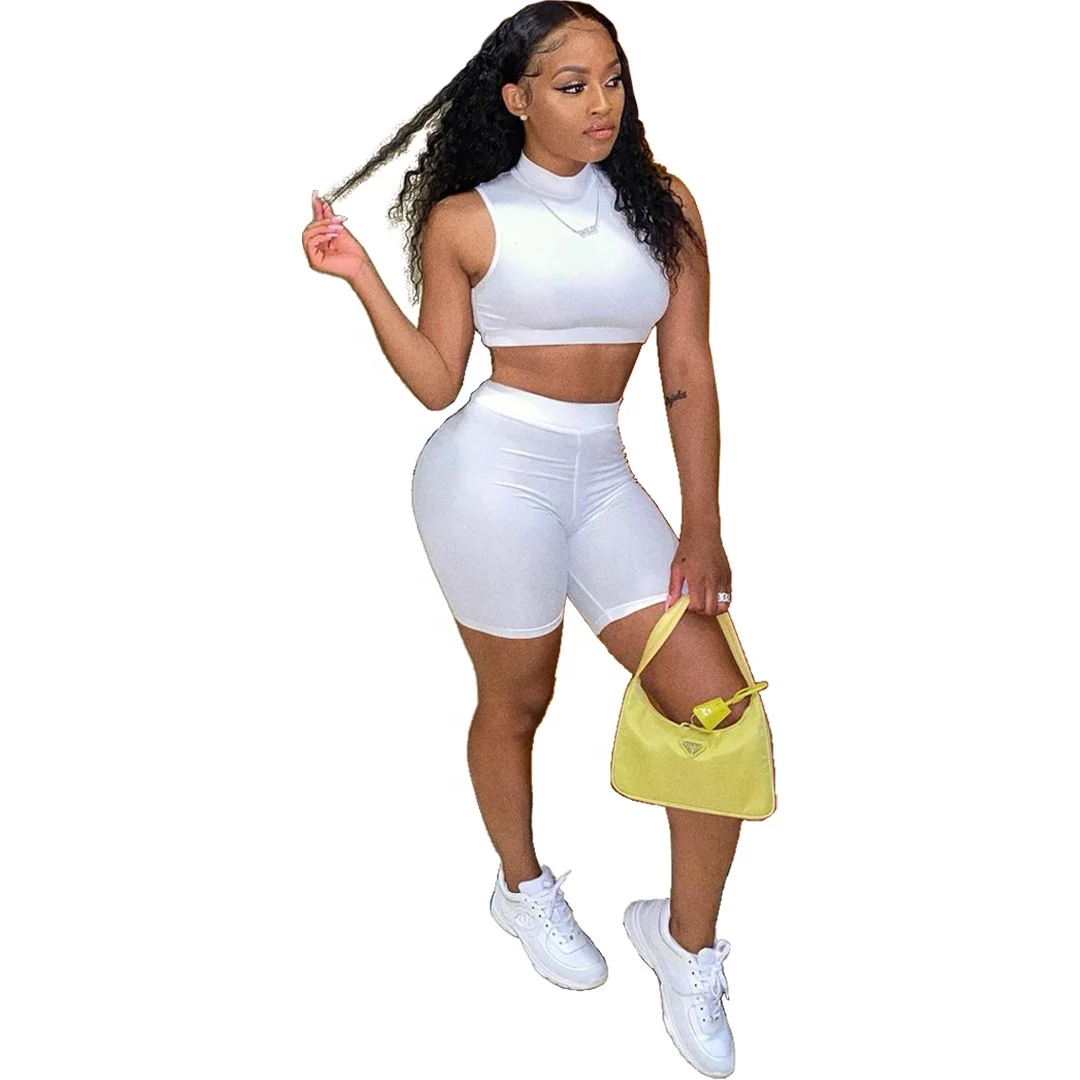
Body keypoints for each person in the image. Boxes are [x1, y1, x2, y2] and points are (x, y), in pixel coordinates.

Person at [301, 5, 772, 1076]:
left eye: (613, 78)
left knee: (718, 707)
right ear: (515, 98)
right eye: (571, 85)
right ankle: (521, 887)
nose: (602, 103)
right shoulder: (468, 220)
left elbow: (687, 370)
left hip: (603, 478)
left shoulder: (664, 203)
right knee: (518, 701)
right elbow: (437, 381)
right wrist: (360, 273)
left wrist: (703, 525)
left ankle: (684, 942)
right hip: (488, 480)